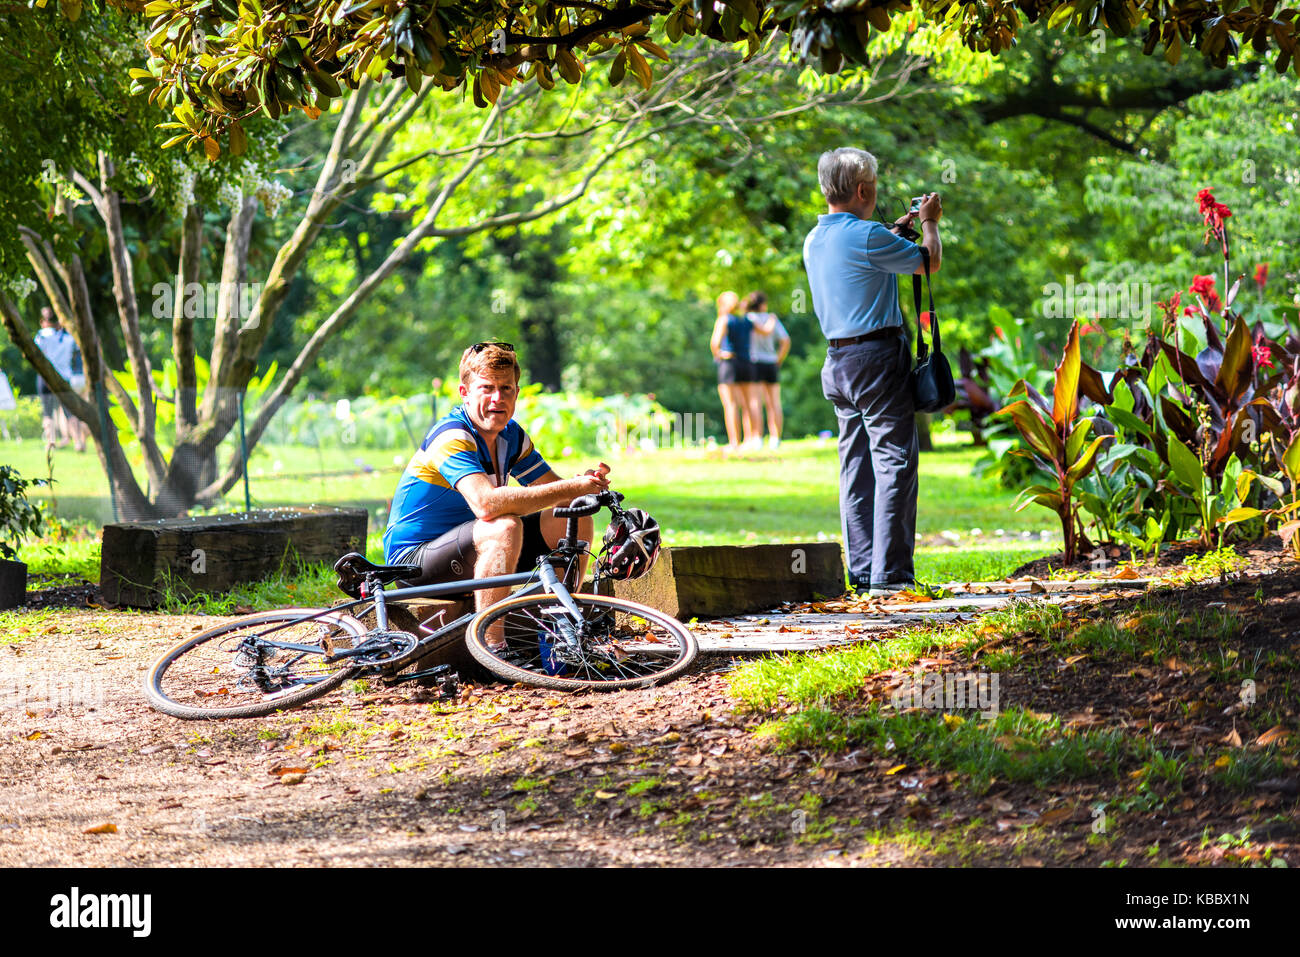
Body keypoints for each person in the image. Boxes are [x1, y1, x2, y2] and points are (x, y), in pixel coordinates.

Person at [382, 341, 611, 648]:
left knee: (572, 514)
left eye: (506, 388)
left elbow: (560, 495)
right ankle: (493, 648)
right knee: (504, 525)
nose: (497, 398)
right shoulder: (451, 435)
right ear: (465, 393)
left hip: (476, 548)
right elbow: (485, 504)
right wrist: (572, 486)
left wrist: (585, 484)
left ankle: (560, 629)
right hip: (415, 564)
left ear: (517, 392)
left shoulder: (511, 435)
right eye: (486, 388)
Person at [802, 147, 942, 597]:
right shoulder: (866, 238)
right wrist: (929, 222)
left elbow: (870, 247)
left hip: (838, 363)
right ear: (864, 190)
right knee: (895, 461)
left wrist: (897, 226)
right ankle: (891, 575)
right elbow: (928, 261)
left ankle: (862, 572)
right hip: (877, 360)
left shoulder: (815, 239)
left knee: (856, 466)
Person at [709, 291, 759, 452]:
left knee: (730, 405)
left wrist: (719, 354)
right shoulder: (746, 320)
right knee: (748, 403)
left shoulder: (723, 320)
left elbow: (714, 343)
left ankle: (734, 442)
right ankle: (750, 438)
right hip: (747, 363)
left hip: (729, 364)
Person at [742, 291, 791, 449]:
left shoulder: (747, 319)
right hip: (771, 362)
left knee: (755, 401)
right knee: (774, 402)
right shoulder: (771, 318)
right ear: (763, 304)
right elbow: (785, 340)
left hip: (754, 361)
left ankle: (757, 437)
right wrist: (778, 359)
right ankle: (775, 437)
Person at [34, 308, 78, 451]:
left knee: (48, 412)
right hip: (64, 377)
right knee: (69, 411)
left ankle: (51, 442)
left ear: (44, 321)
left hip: (45, 377)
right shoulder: (68, 337)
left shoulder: (42, 335)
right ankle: (78, 442)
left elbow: (36, 354)